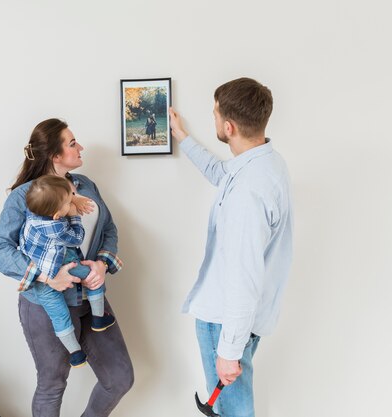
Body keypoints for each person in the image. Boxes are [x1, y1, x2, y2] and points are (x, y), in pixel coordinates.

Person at [0, 118, 134, 417]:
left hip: (90, 297)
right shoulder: (24, 196)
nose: (81, 147)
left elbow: (108, 229)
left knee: (119, 379)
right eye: (72, 143)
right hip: (44, 304)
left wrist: (102, 264)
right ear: (55, 156)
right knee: (52, 384)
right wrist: (47, 275)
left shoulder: (87, 186)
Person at [169, 77, 293, 417]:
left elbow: (244, 276)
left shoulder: (246, 195)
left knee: (235, 412)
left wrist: (229, 350)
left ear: (228, 126)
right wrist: (183, 137)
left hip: (224, 322)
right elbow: (221, 172)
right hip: (241, 320)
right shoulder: (266, 164)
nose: (213, 120)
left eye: (214, 115)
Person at [20, 174, 116, 367]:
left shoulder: (34, 214)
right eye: (66, 202)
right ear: (57, 215)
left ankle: (76, 354)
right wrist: (73, 216)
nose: (71, 202)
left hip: (41, 282)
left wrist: (71, 198)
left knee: (59, 316)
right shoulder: (56, 227)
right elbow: (77, 238)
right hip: (65, 268)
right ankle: (98, 318)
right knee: (92, 276)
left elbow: (109, 228)